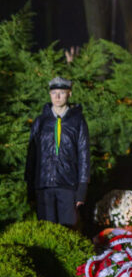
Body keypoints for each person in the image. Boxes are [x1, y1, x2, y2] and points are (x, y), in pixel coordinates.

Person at [25, 77, 90, 228]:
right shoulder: (40, 122)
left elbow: (84, 155)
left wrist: (82, 188)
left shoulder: (78, 121)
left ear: (69, 94)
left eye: (61, 92)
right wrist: (30, 186)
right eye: (54, 93)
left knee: (68, 229)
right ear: (49, 94)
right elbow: (32, 155)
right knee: (46, 230)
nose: (57, 97)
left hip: (68, 184)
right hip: (44, 185)